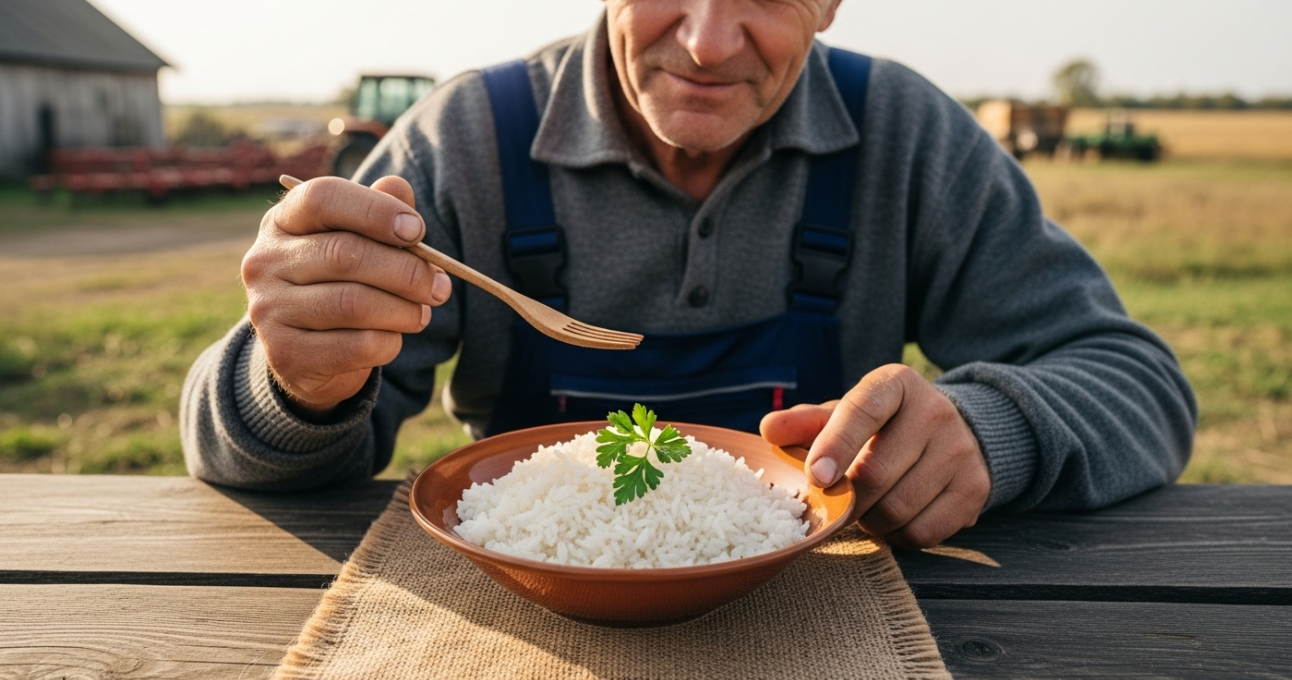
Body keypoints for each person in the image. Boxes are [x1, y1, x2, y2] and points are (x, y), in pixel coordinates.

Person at [181, 0, 1197, 548]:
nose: (709, 43)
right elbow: (243, 456)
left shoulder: (906, 135)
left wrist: (994, 429)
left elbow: (1137, 382)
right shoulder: (466, 140)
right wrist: (298, 385)